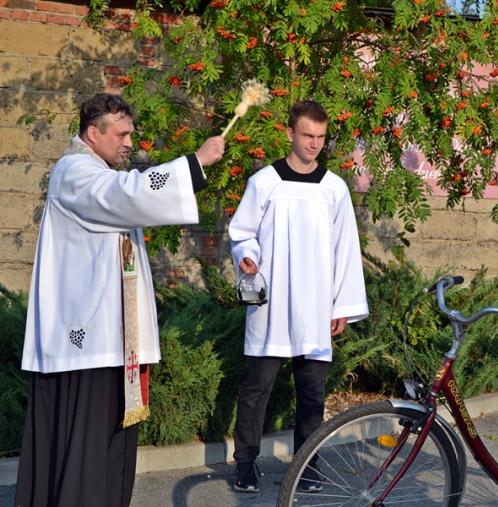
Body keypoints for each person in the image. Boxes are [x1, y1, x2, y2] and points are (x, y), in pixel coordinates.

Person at [16, 93, 225, 506]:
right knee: (86, 451)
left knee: (109, 450)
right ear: (93, 134)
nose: (130, 143)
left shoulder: (98, 172)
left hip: (111, 340)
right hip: (86, 343)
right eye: (122, 134)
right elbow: (126, 194)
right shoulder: (75, 171)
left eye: (131, 133)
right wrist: (195, 163)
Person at [228, 100, 368, 493]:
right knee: (257, 389)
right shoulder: (265, 182)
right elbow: (242, 232)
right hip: (271, 304)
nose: (314, 143)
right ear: (290, 133)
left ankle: (308, 466)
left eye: (321, 137)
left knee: (312, 393)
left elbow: (345, 248)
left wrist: (342, 306)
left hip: (315, 305)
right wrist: (247, 256)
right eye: (307, 135)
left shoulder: (334, 188)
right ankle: (245, 464)